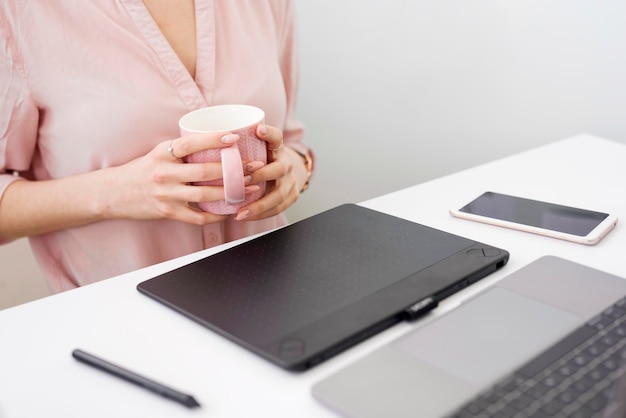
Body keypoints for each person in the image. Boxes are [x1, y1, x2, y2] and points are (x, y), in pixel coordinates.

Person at [0, 1, 313, 291]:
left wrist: (295, 171)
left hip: (271, 290)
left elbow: (292, 142)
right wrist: (115, 192)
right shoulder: (19, 12)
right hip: (121, 320)